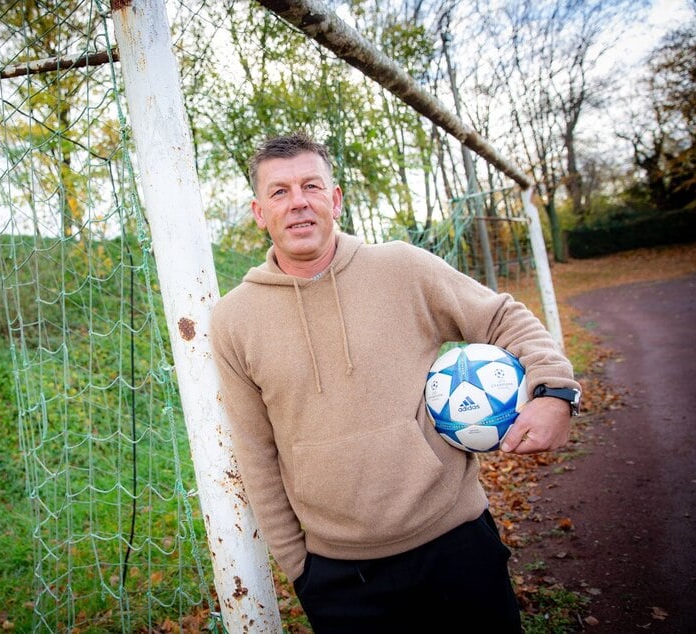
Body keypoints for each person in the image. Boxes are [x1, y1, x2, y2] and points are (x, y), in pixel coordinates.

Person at [210, 132, 581, 632]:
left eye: (311, 186)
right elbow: (255, 452)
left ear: (335, 199)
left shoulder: (402, 268)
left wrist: (554, 389)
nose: (298, 202)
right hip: (340, 578)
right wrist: (300, 568)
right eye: (279, 192)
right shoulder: (234, 320)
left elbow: (502, 318)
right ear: (259, 211)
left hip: (456, 542)